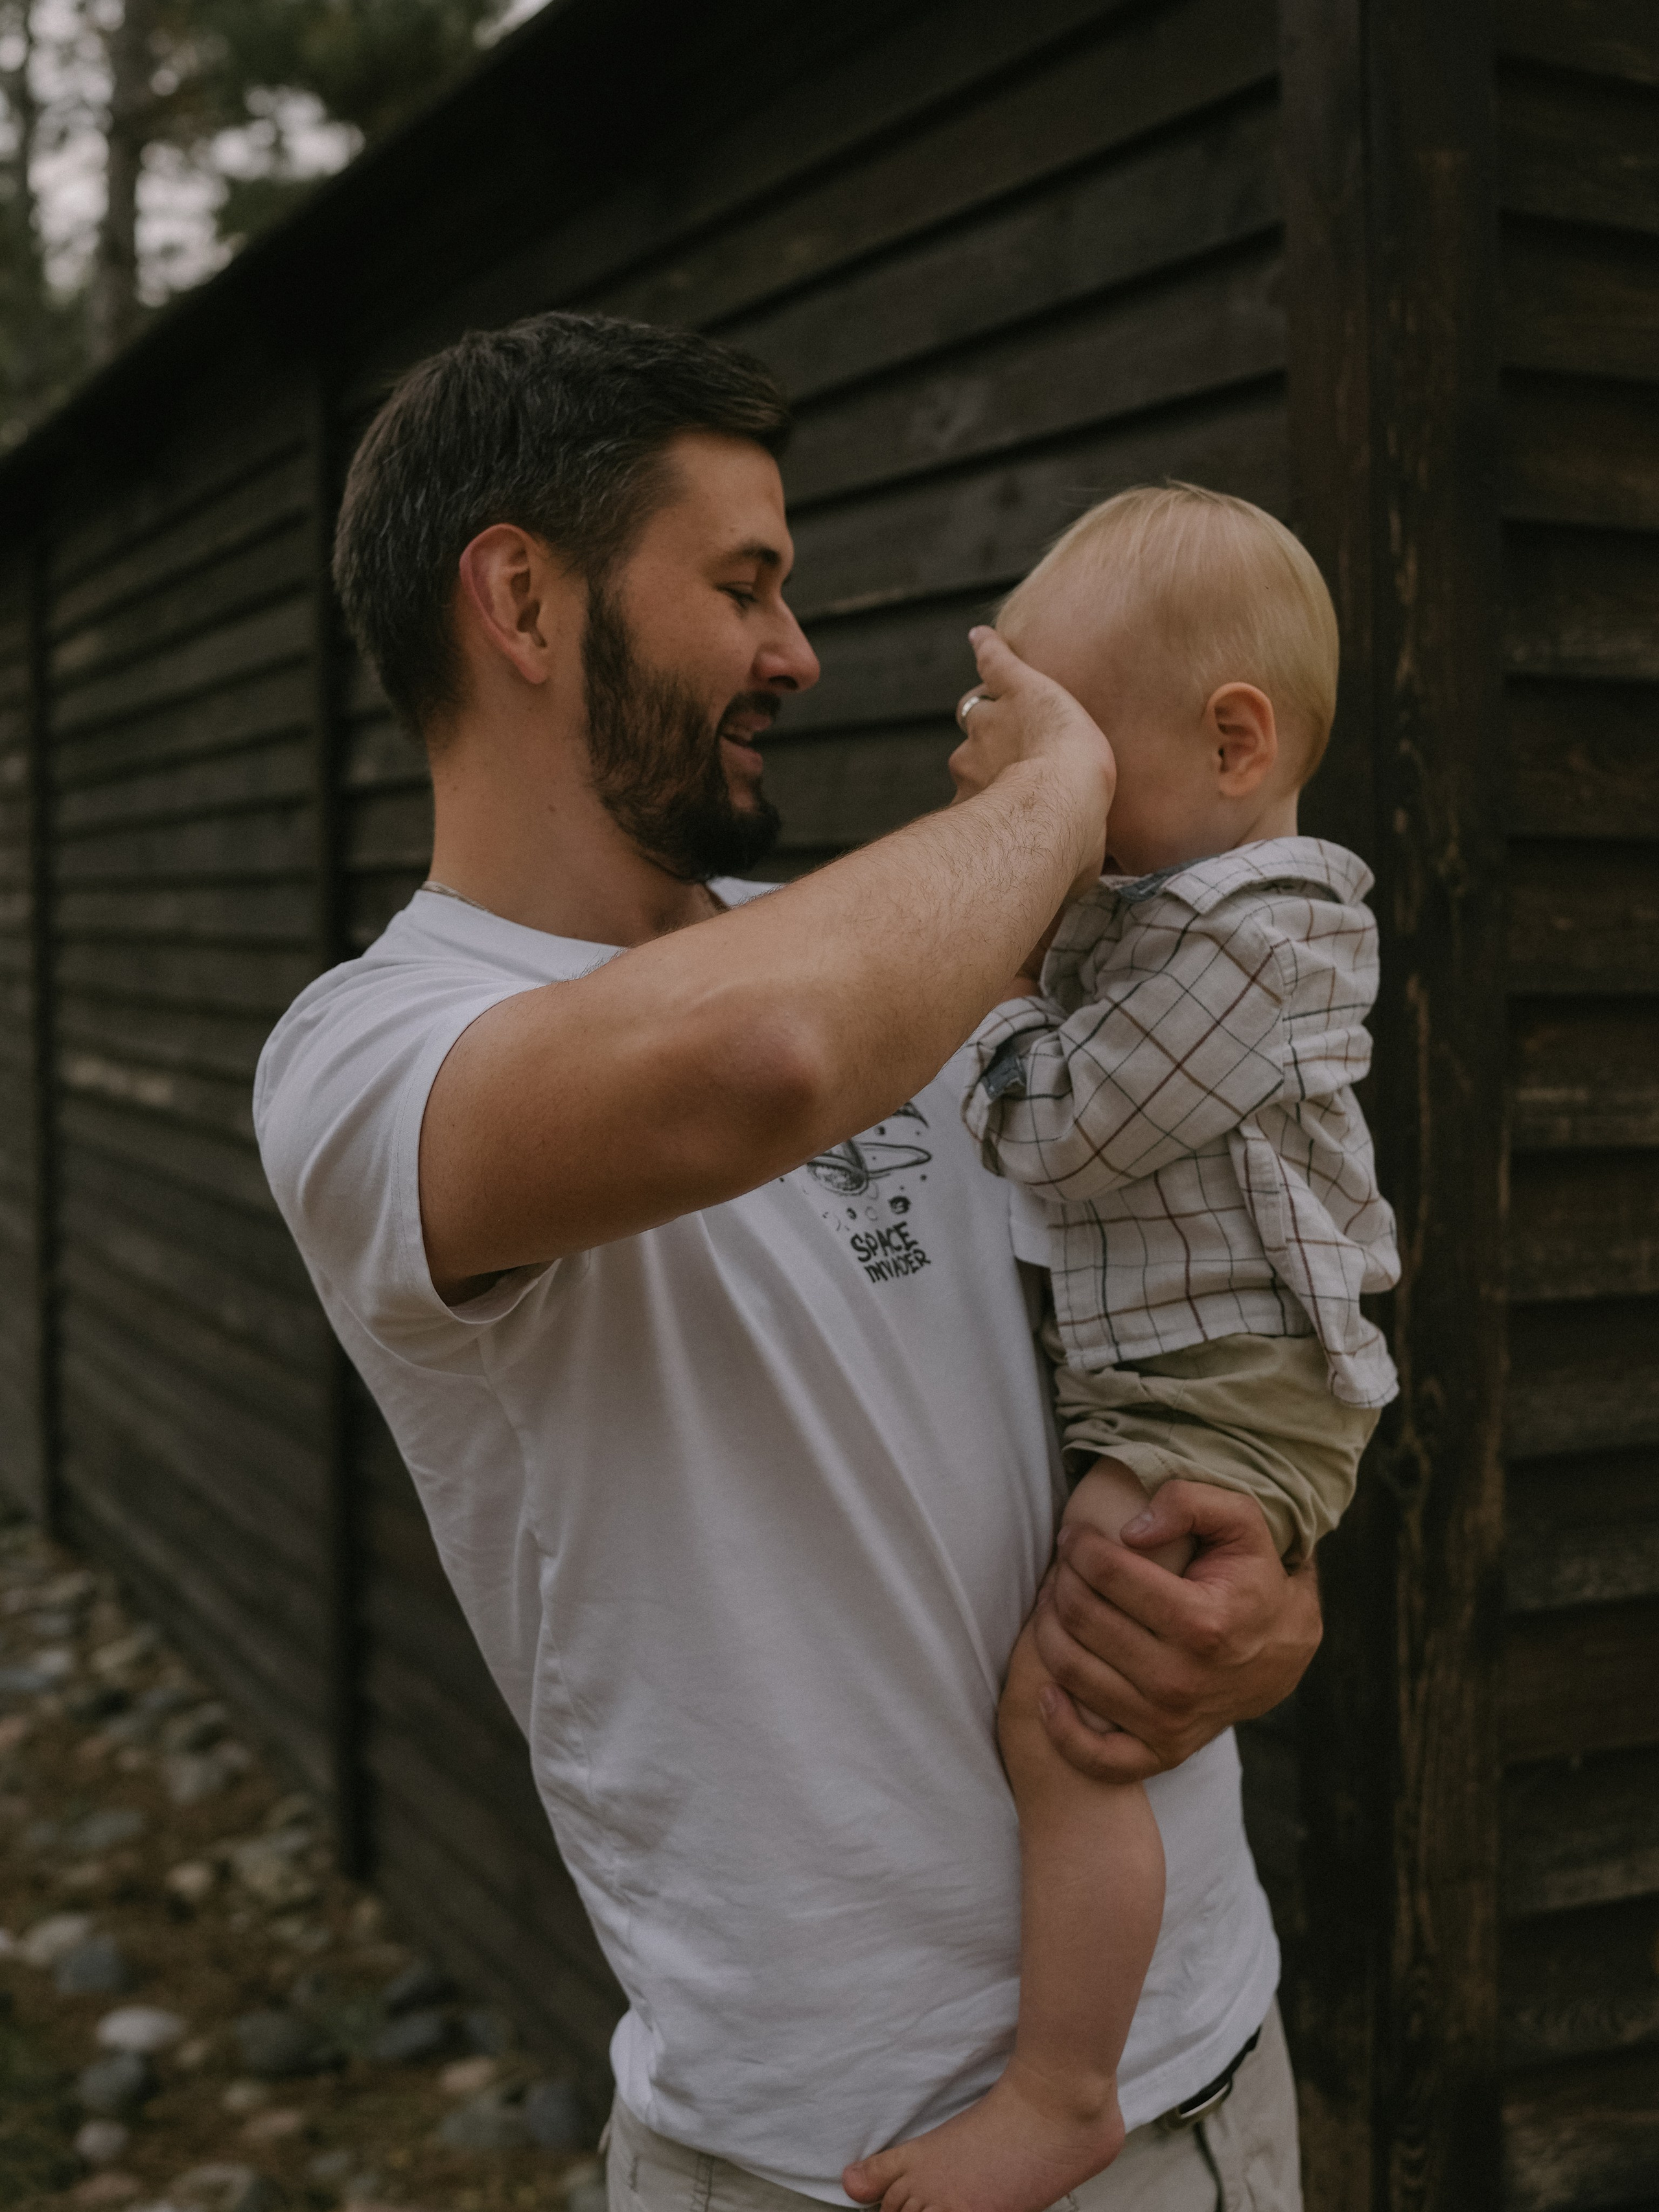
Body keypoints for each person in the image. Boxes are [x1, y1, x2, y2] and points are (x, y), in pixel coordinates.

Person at [253, 312, 1323, 2211]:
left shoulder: (885, 944)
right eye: (744, 584)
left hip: (1205, 2076)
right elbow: (760, 1060)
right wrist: (1067, 784)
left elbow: (1207, 1250)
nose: (797, 652)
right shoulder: (370, 1060)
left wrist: (1273, 1573)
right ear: (521, 597)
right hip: (823, 2158)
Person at [842, 488, 1397, 2212]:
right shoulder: (1176, 918)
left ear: (1233, 740)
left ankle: (1066, 2092)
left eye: (1080, 761)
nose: (1047, 809)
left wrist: (991, 963)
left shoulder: (1257, 937)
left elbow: (1063, 1131)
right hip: (1193, 1373)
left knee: (1069, 1720)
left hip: (1222, 1392)